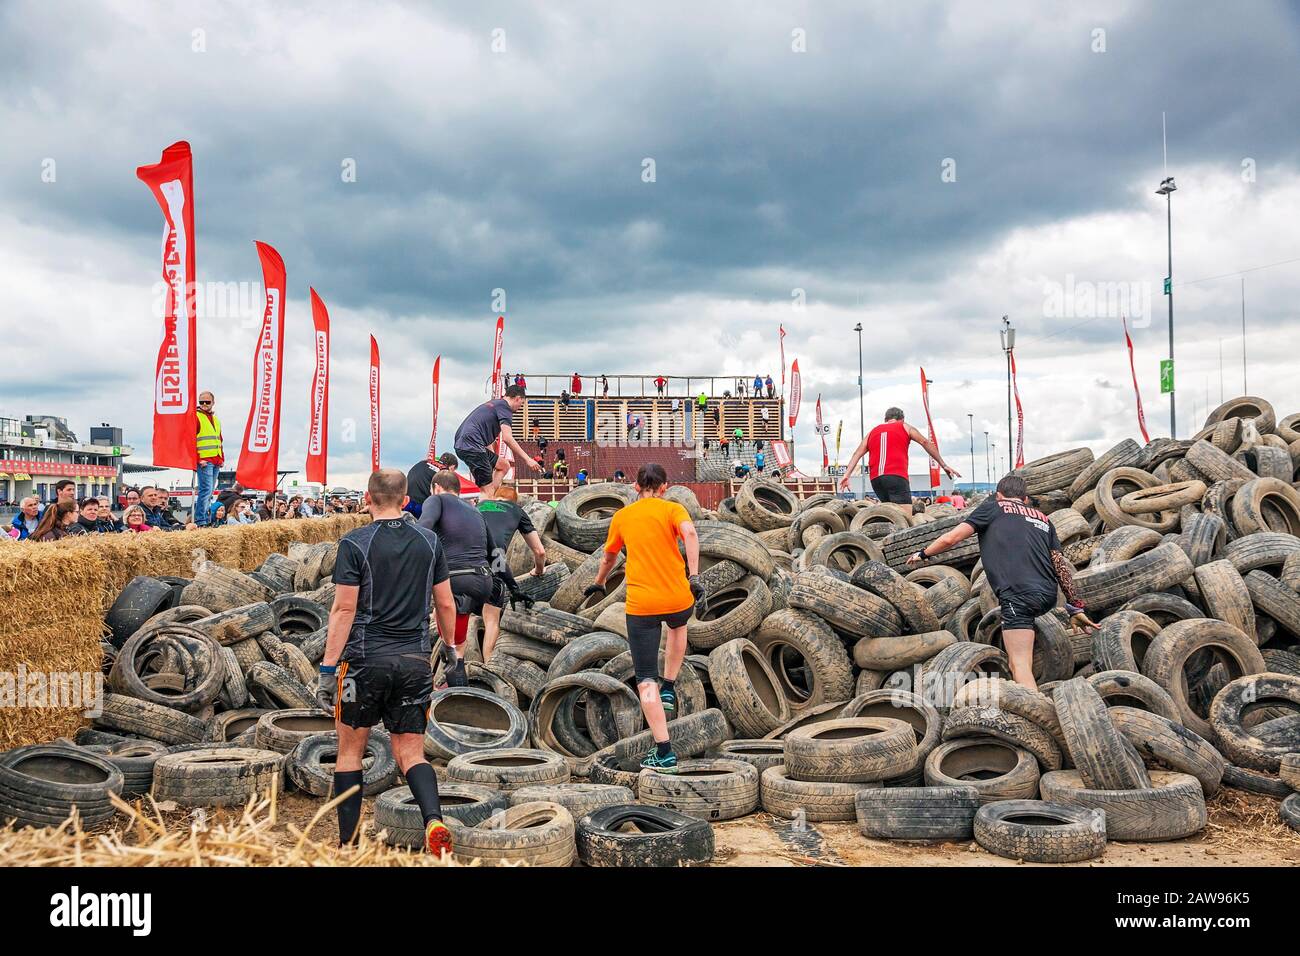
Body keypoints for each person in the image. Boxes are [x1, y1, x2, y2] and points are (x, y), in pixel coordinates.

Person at [316, 468, 457, 856]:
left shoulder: (354, 543)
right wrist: (451, 649)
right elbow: (446, 603)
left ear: (367, 497)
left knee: (349, 752)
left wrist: (328, 670)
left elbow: (343, 609)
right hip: (413, 662)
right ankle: (433, 820)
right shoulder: (429, 542)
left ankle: (348, 844)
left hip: (362, 663)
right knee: (411, 753)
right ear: (406, 499)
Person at [907, 475, 1097, 692]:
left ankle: (1037, 716)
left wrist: (923, 553)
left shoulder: (993, 508)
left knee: (1019, 665)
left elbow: (952, 539)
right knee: (1019, 652)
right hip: (1047, 594)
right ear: (1025, 499)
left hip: (1018, 595)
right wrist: (1074, 607)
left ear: (998, 496)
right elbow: (1060, 566)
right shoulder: (1044, 519)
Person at [582, 464, 701, 772]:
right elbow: (689, 532)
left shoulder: (622, 517)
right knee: (679, 625)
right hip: (677, 597)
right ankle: (670, 685)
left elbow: (609, 556)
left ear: (636, 487)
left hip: (642, 605)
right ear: (664, 487)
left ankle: (664, 751)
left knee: (644, 678)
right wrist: (695, 573)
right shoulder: (673, 509)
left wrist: (599, 581)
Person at [418, 470, 523, 687]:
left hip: (455, 580)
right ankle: (455, 685)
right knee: (458, 642)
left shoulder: (436, 500)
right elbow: (495, 554)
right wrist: (514, 586)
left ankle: (452, 691)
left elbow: (423, 530)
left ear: (436, 487)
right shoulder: (475, 511)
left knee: (448, 637)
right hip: (483, 582)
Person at [477, 483, 546, 661]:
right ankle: (488, 663)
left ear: (495, 497)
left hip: (466, 564)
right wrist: (539, 570)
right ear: (514, 501)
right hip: (495, 567)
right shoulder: (517, 510)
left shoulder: (479, 505)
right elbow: (540, 552)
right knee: (491, 619)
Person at [840, 407, 960, 504]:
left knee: (891, 515)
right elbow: (925, 442)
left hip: (876, 479)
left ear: (885, 419)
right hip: (896, 476)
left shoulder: (873, 431)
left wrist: (847, 475)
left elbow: (857, 453)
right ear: (902, 419)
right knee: (904, 518)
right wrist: (943, 465)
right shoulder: (905, 426)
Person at [453, 386, 540, 500]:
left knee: (503, 465)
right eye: (521, 403)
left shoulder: (495, 404)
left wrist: (493, 460)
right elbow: (507, 438)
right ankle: (487, 503)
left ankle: (490, 495)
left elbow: (487, 440)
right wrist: (527, 459)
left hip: (466, 444)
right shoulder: (505, 408)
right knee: (487, 491)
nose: (520, 408)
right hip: (472, 446)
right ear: (518, 398)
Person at [193, 390, 224, 527]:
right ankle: (201, 520)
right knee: (206, 490)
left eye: (207, 402)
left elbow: (219, 439)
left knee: (210, 491)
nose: (204, 404)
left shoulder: (216, 419)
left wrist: (221, 457)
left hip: (215, 460)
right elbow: (190, 440)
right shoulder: (196, 417)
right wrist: (198, 459)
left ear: (213, 402)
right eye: (201, 402)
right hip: (205, 460)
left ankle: (205, 517)